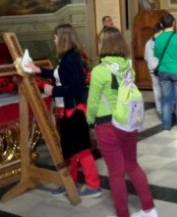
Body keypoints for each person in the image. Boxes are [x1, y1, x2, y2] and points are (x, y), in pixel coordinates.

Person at [86, 26, 157, 217]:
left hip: (107, 125)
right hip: (128, 122)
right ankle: (149, 209)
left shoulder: (99, 71)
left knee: (116, 173)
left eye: (100, 41)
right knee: (132, 165)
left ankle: (122, 213)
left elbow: (93, 101)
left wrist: (90, 121)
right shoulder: (128, 67)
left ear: (104, 44)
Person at [29, 24, 101, 199]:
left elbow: (76, 87)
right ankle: (69, 182)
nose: (54, 40)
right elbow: (57, 74)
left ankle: (94, 185)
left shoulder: (71, 59)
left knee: (81, 149)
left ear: (62, 39)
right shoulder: (66, 58)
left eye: (55, 37)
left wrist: (54, 91)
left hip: (74, 110)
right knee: (69, 150)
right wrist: (39, 70)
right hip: (67, 109)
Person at [154, 12, 177, 131]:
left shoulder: (158, 39)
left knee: (166, 98)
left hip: (164, 70)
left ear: (161, 25)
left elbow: (157, 55)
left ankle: (166, 124)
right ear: (174, 23)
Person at [144, 24, 162, 118]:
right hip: (161, 68)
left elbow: (146, 57)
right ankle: (167, 109)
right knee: (165, 90)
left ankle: (159, 110)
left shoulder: (148, 43)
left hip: (152, 69)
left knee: (156, 90)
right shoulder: (161, 42)